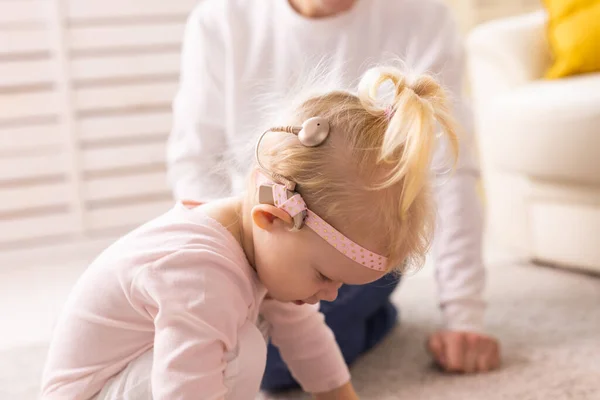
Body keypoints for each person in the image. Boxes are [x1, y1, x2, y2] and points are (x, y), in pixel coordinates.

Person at [41, 65, 457, 400]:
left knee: (246, 337)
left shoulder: (259, 249)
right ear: (273, 218)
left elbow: (306, 336)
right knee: (242, 349)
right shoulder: (201, 272)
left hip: (128, 378)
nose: (331, 295)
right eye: (324, 276)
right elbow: (184, 391)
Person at [167, 0, 501, 392]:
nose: (326, 291)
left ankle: (362, 302)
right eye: (324, 280)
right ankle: (372, 318)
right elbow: (195, 164)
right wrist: (237, 269)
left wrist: (465, 317)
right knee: (256, 355)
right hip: (265, 235)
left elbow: (448, 172)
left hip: (359, 245)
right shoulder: (220, 20)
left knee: (289, 341)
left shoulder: (420, 13)